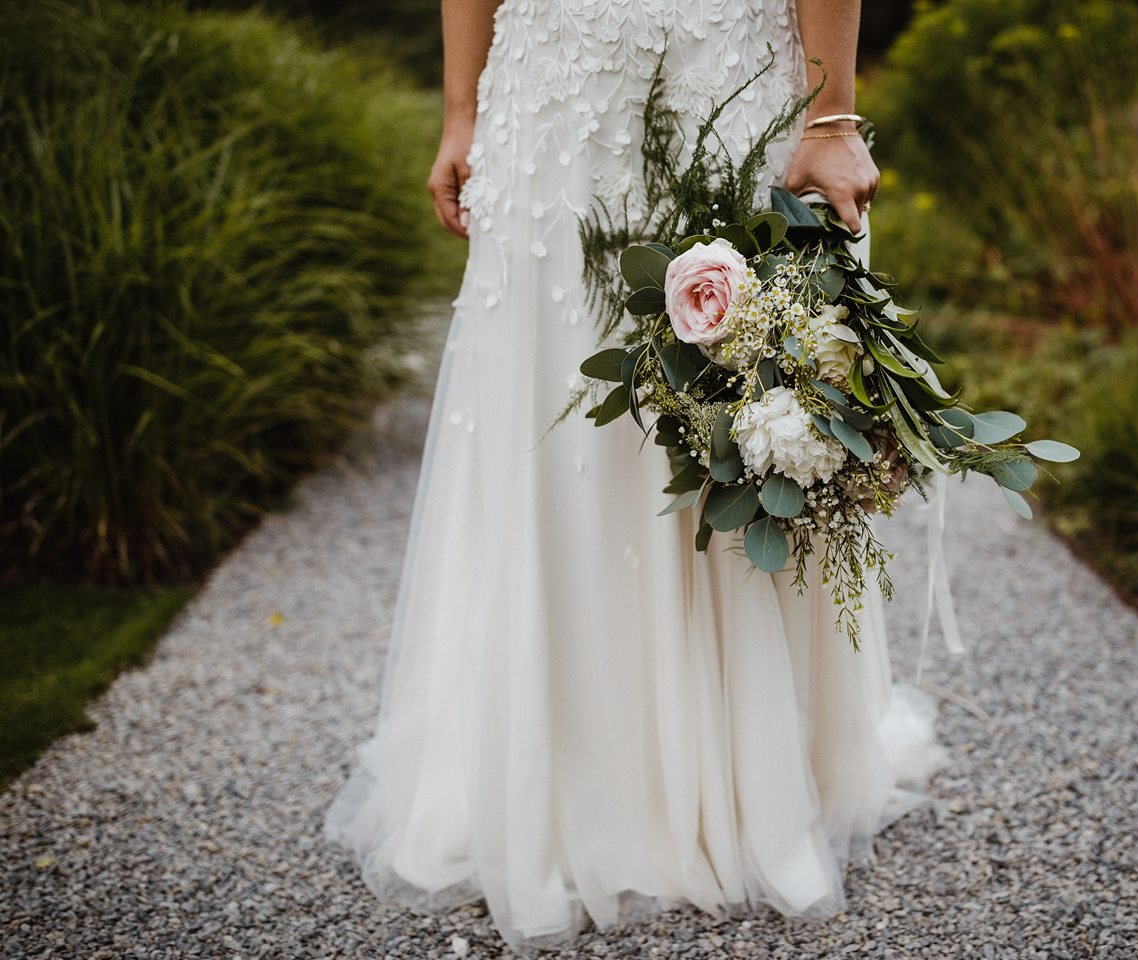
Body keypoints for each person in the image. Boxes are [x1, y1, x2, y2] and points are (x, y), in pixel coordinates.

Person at [323, 0, 945, 952]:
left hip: (719, 59)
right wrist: (462, 111)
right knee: (553, 405)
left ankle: (751, 772)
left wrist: (830, 118)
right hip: (547, 92)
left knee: (727, 383)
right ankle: (567, 771)